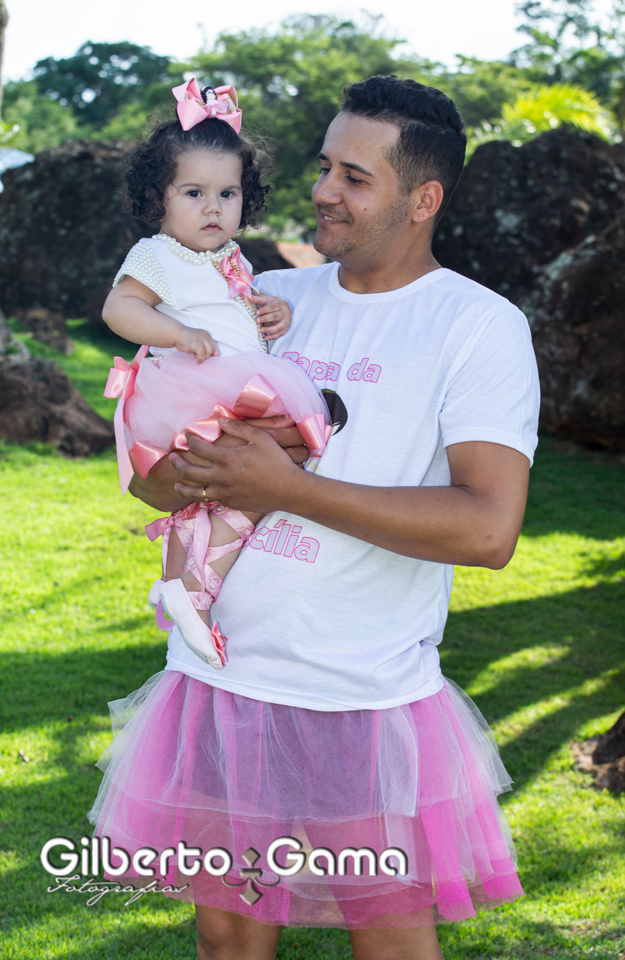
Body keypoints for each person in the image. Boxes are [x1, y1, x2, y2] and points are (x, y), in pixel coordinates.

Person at [89, 75, 540, 960]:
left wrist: (286, 487)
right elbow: (153, 483)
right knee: (228, 943)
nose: (323, 190)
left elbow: (488, 530)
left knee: (392, 945)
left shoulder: (477, 327)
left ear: (423, 199)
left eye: (354, 177)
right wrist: (194, 465)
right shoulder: (254, 297)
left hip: (361, 699)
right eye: (325, 165)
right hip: (217, 688)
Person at [101, 79, 329, 668]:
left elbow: (241, 316)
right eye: (194, 192)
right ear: (159, 198)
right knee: (288, 453)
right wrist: (174, 334)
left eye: (227, 193)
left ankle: (185, 589)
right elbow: (119, 309)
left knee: (228, 486)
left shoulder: (231, 258)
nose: (213, 207)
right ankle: (196, 588)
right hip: (193, 388)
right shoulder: (158, 253)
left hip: (228, 384)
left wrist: (272, 313)